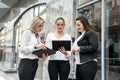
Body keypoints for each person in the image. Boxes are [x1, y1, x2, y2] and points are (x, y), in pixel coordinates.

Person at [18, 16, 46, 80]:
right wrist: (35, 46)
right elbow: (22, 49)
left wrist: (42, 54)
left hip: (35, 62)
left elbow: (34, 51)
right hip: (26, 63)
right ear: (34, 25)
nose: (41, 28)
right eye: (40, 26)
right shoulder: (27, 32)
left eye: (42, 26)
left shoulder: (37, 35)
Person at [71, 16, 98, 80]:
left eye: (79, 25)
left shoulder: (90, 33)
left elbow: (94, 47)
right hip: (79, 64)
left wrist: (79, 48)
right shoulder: (81, 35)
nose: (77, 27)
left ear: (84, 24)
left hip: (88, 64)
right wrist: (74, 52)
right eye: (76, 25)